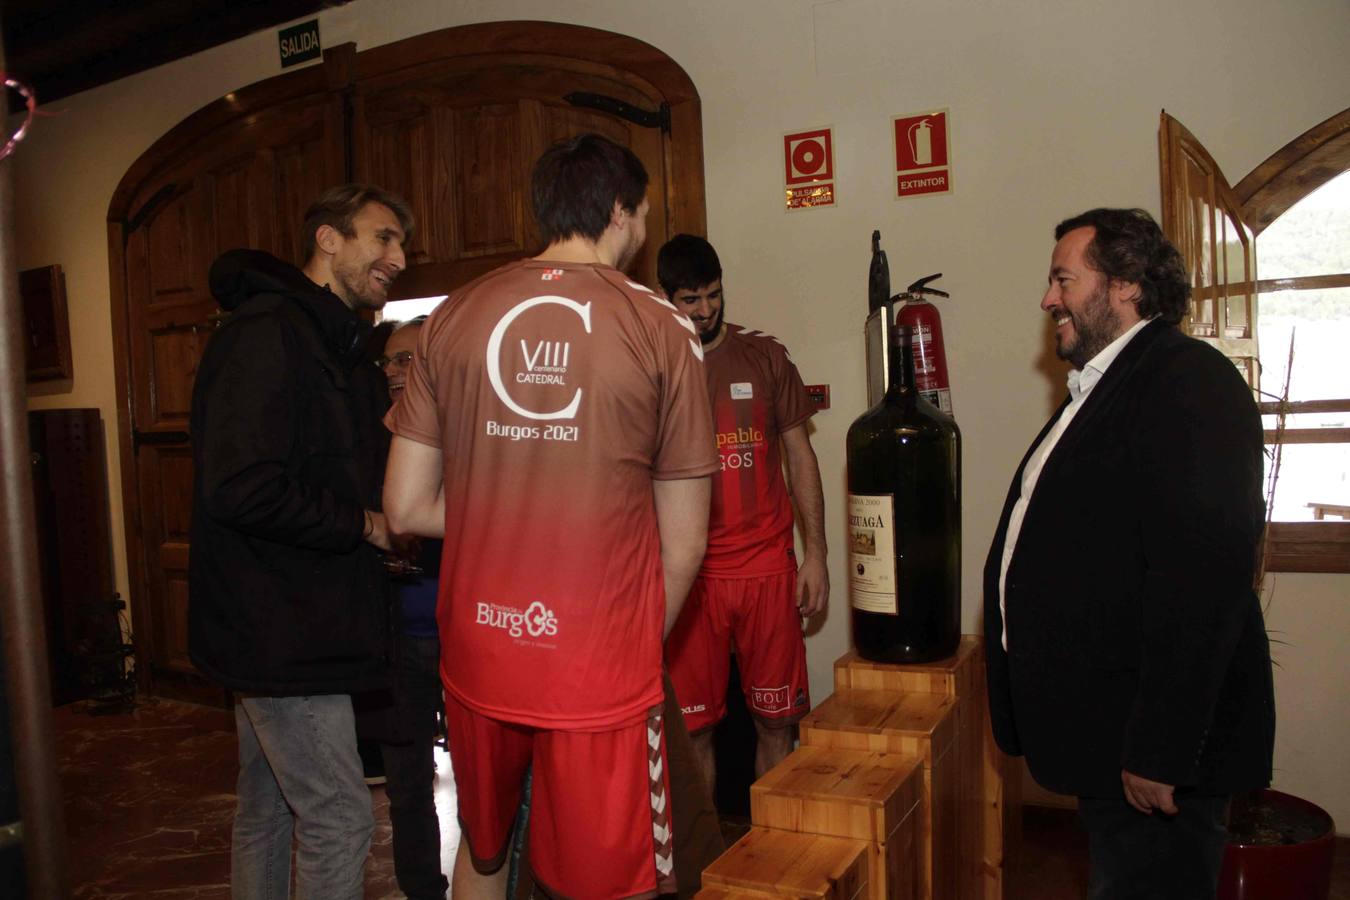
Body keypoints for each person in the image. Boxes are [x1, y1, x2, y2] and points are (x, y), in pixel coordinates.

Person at [382, 133, 717, 900]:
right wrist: (630, 647)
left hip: (477, 647)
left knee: (484, 847)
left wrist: (511, 508)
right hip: (596, 662)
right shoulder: (664, 327)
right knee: (613, 878)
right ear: (619, 212)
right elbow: (685, 541)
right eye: (639, 217)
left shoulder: (453, 315)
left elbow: (403, 507)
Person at [984, 208, 1275, 900]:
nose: (1048, 298)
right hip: (1107, 742)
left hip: (1151, 758)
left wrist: (1160, 750)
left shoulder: (1187, 382)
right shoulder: (1107, 387)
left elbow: (1202, 580)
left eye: (1063, 279)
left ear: (1125, 286)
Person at [188, 184, 412, 899]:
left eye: (401, 243)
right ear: (328, 239)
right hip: (280, 626)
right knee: (341, 815)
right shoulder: (266, 332)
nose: (398, 258)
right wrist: (362, 524)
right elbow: (242, 485)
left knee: (267, 804)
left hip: (291, 620)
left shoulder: (330, 341)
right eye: (382, 238)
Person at [657, 233, 828, 787]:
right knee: (694, 733)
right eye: (691, 300)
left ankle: (776, 858)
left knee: (778, 723)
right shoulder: (652, 367)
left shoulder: (764, 356)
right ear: (667, 299)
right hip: (691, 577)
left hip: (766, 569)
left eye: (713, 295)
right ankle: (707, 870)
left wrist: (817, 555)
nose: (705, 310)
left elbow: (800, 455)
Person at [373, 316, 450, 900]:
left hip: (465, 632)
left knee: (480, 777)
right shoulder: (369, 437)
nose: (397, 372)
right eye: (390, 362)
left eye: (408, 360)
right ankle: (423, 889)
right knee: (406, 783)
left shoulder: (466, 431)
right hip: (397, 635)